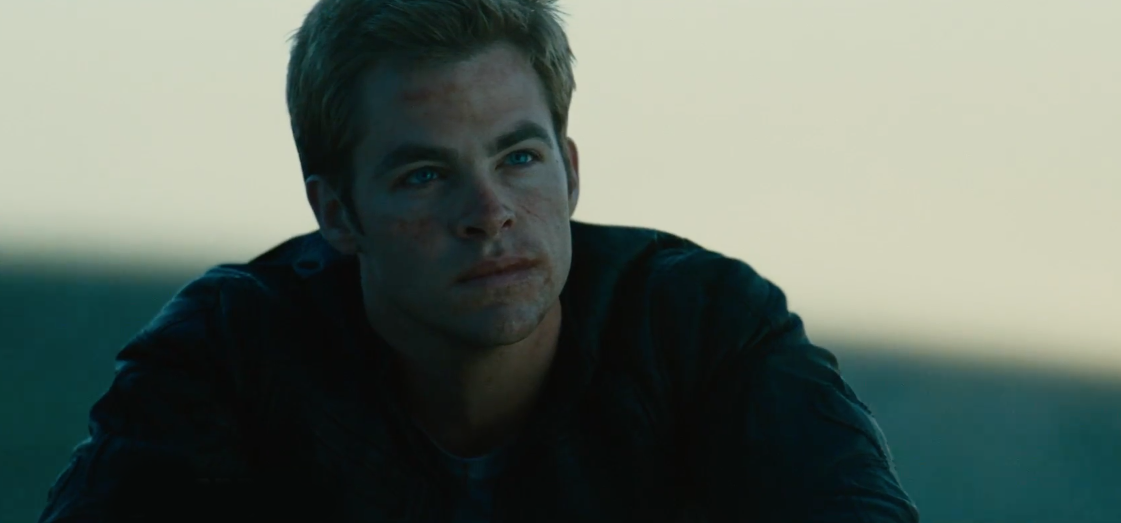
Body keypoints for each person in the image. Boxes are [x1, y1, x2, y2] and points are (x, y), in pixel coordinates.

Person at [38, 0, 919, 521]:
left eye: (519, 157)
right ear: (337, 213)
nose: (489, 212)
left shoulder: (702, 328)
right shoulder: (229, 351)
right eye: (425, 175)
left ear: (570, 170)